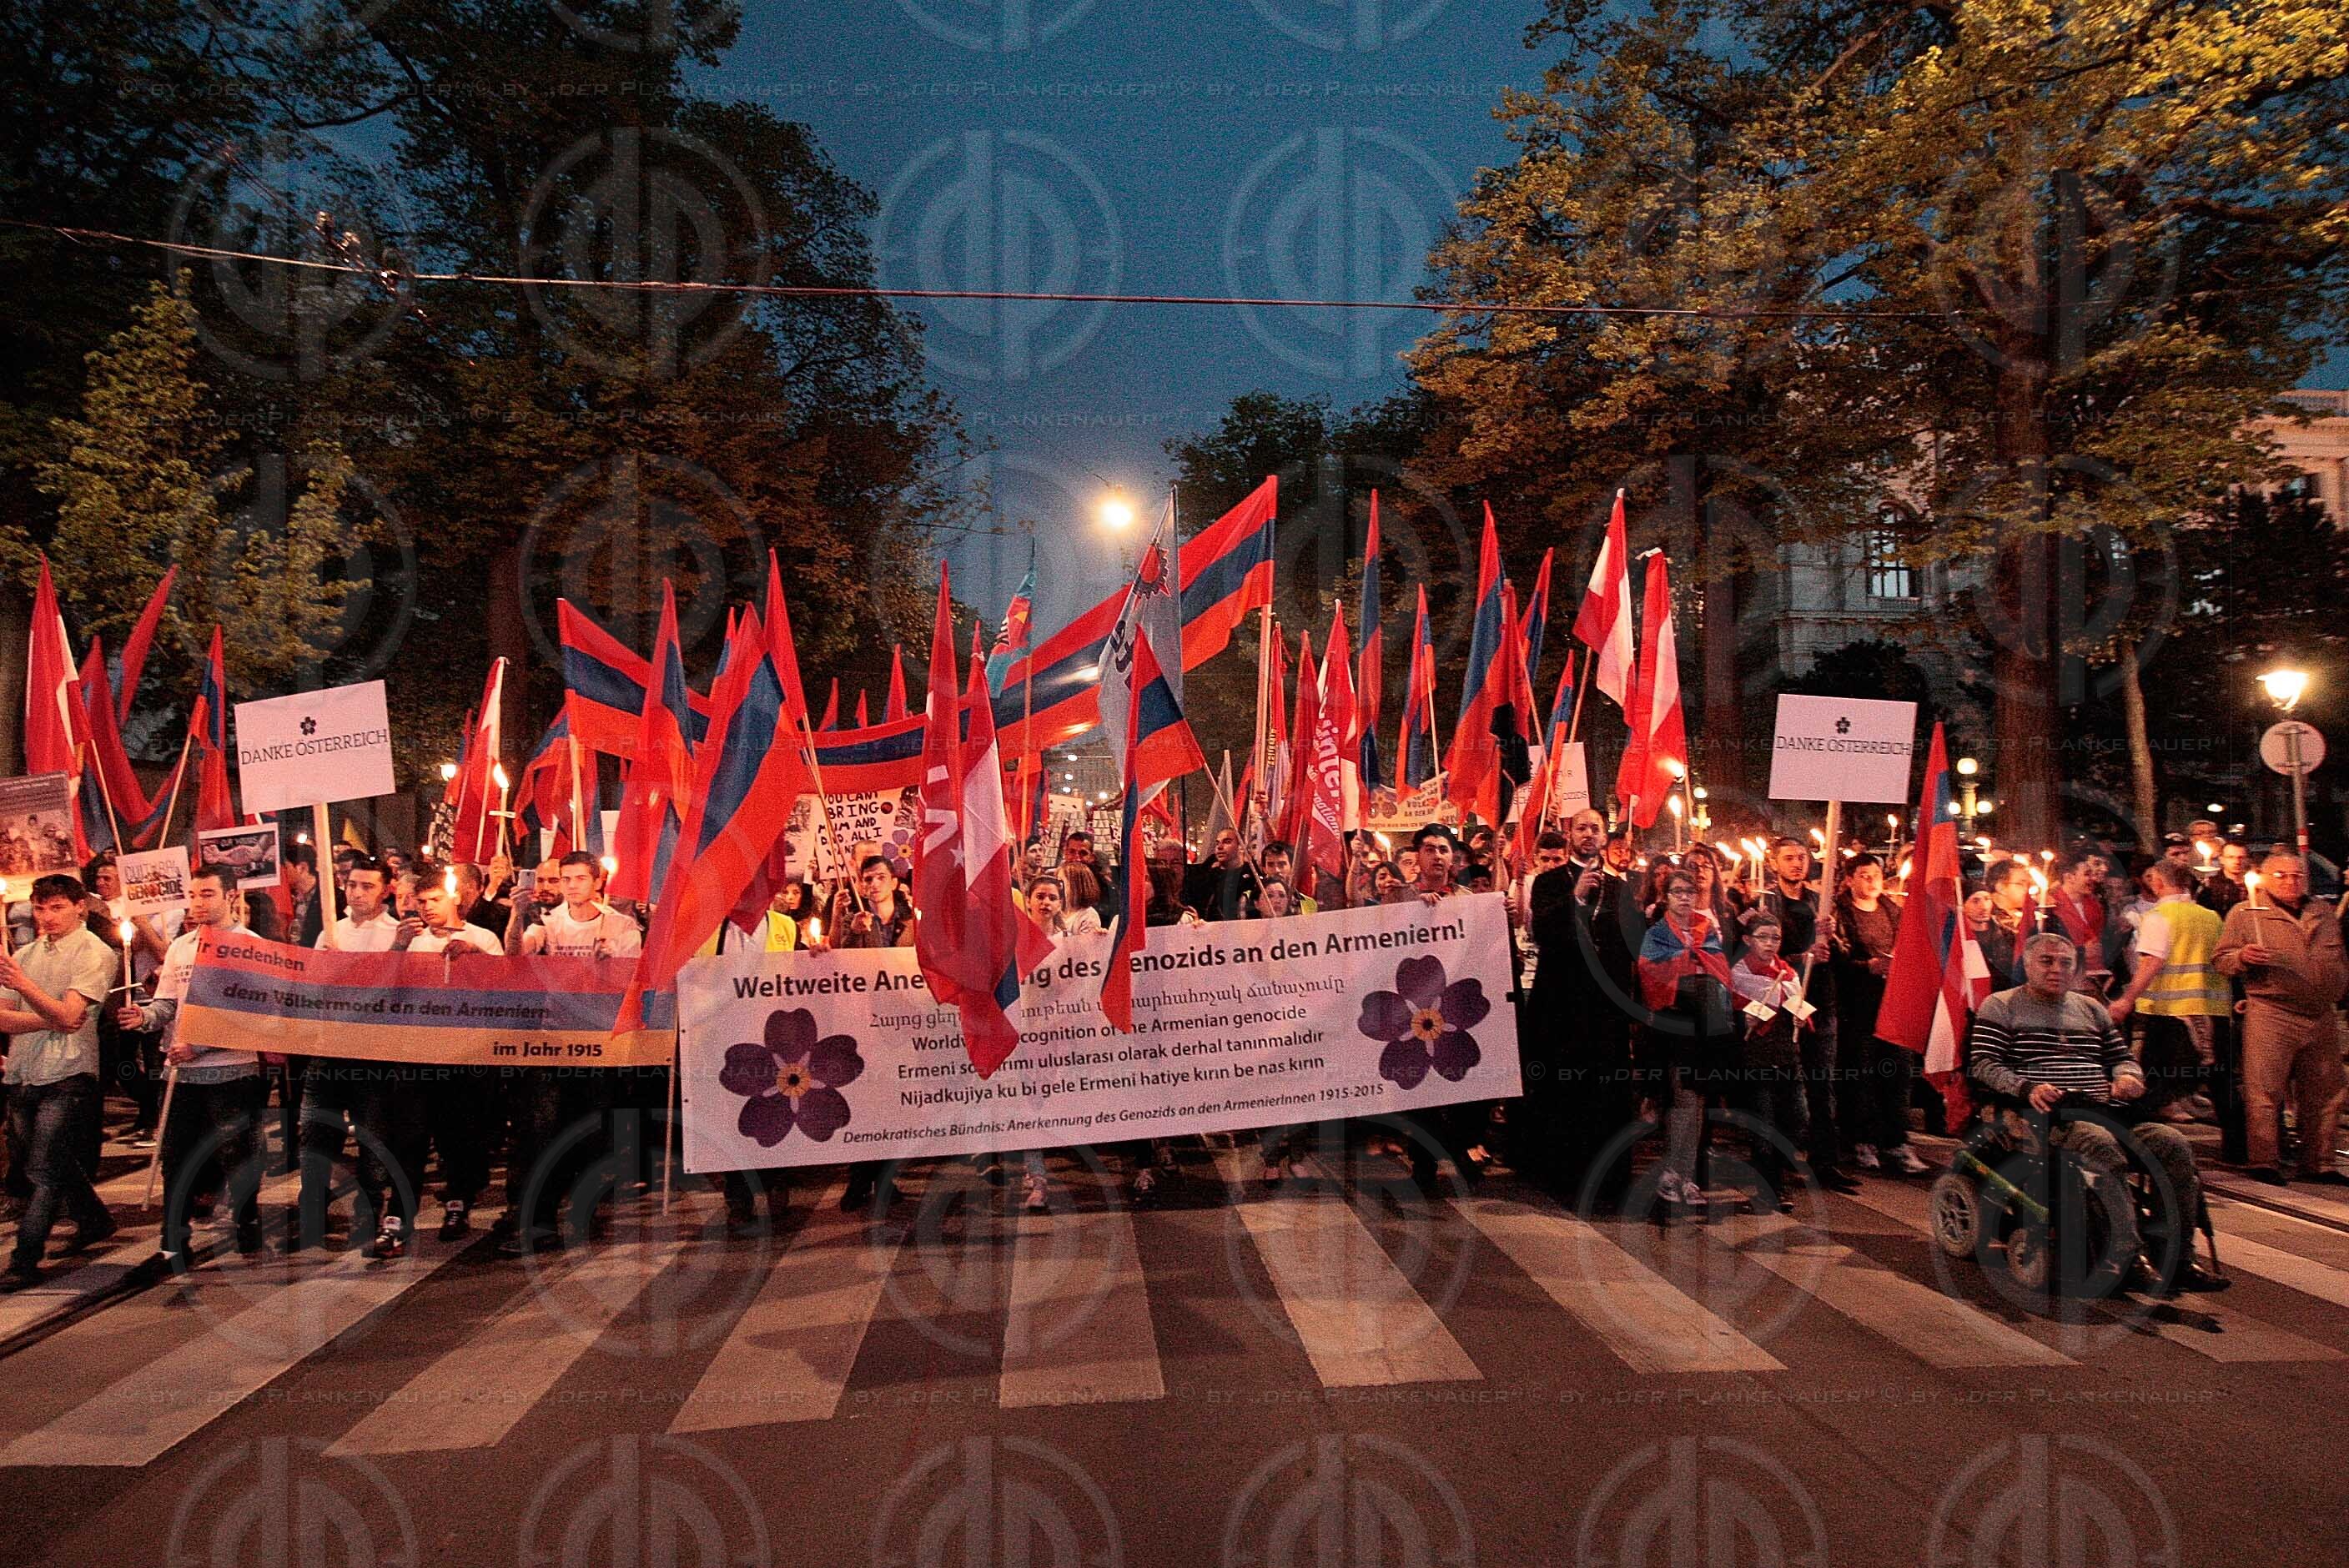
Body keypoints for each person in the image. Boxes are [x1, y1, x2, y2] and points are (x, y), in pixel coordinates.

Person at [1968, 932, 2221, 1292]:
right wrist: (2026, 1088)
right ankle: (2126, 1254)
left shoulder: (2090, 1009)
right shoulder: (2002, 1005)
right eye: (2047, 961)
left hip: (2104, 1106)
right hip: (2042, 1112)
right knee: (2099, 1144)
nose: (2057, 969)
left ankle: (2177, 1255)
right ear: (2027, 965)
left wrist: (2129, 1077)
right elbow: (1983, 1064)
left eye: (2065, 962)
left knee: (2173, 1143)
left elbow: (2120, 1058)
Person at [116, 864, 267, 1265]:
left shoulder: (250, 945)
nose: (198, 904)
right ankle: (174, 1239)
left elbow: (248, 1012)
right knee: (177, 1156)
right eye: (194, 896)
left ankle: (247, 1221)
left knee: (237, 1153)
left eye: (208, 895)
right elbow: (169, 1002)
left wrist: (199, 1045)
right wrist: (145, 1018)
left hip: (233, 1070)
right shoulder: (181, 946)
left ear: (230, 896)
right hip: (182, 1072)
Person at [500, 852, 642, 1258]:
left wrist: (610, 965)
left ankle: (587, 1208)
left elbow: (635, 982)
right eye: (566, 878)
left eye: (580, 878)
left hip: (598, 1045)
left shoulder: (621, 926)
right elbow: (517, 956)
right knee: (542, 1131)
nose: (572, 885)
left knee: (591, 1132)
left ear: (598, 882)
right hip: (553, 1043)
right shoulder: (548, 923)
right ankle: (540, 1222)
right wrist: (516, 915)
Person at [0, 875, 121, 1289]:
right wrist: (49, 1019)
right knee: (50, 1162)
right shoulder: (26, 953)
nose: (46, 917)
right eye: (39, 908)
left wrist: (26, 989)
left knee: (44, 1168)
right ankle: (94, 1219)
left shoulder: (95, 952)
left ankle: (24, 1258)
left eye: (56, 907)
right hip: (23, 1071)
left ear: (79, 907)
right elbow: (7, 1017)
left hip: (69, 1073)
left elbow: (74, 1015)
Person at [1524, 817, 1643, 1206]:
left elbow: (1630, 948)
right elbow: (1541, 932)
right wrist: (1575, 898)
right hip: (1562, 1008)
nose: (1589, 834)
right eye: (1581, 829)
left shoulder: (1622, 888)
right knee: (1565, 1091)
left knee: (1604, 1094)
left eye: (1595, 828)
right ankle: (1562, 1175)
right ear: (1571, 836)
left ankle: (1608, 1179)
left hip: (1604, 1012)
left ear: (1604, 837)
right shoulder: (1549, 882)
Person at [2215, 853, 2348, 1186]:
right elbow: (2221, 959)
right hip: (2273, 1011)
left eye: (2297, 875)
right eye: (2281, 875)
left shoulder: (2323, 912)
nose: (2291, 882)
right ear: (2265, 877)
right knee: (2265, 1089)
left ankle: (2319, 1162)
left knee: (2325, 1091)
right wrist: (2242, 957)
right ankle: (2264, 1159)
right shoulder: (2246, 913)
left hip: (2320, 1013)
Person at [293, 857, 401, 1253]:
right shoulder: (331, 933)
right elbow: (315, 988)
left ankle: (370, 1219)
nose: (357, 893)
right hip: (329, 1051)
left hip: (373, 1056)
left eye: (367, 886)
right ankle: (312, 1220)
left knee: (372, 1144)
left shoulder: (397, 933)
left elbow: (397, 988)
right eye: (352, 885)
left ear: (386, 889)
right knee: (315, 1138)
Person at [1757, 837, 1856, 1194]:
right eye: (1789, 858)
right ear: (1774, 863)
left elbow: (1841, 952)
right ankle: (1779, 1162)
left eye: (1802, 857)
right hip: (1784, 1005)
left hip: (1821, 1003)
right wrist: (1804, 956)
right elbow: (1763, 954)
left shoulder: (1821, 903)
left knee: (1822, 1084)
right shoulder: (1766, 902)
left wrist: (1833, 941)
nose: (1797, 864)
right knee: (1782, 1088)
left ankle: (1825, 1162)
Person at [1636, 867, 1735, 1215]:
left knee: (1695, 1104)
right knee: (1680, 1100)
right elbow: (1649, 972)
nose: (1684, 898)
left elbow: (1719, 969)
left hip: (1704, 1028)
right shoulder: (1658, 932)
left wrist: (1696, 961)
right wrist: (1687, 962)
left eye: (1689, 892)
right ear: (1667, 895)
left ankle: (1687, 1174)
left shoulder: (1706, 930)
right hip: (1673, 1028)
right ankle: (1671, 1172)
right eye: (1677, 891)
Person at [2108, 859, 2229, 1128]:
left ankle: (2129, 1128)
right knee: (2216, 1080)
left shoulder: (2159, 918)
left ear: (2159, 883)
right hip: (2211, 1009)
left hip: (2177, 1015)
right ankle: (2239, 1148)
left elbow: (2151, 962)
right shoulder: (2211, 917)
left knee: (2169, 1078)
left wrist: (2127, 999)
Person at [1833, 854, 1922, 1175]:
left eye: (1877, 875)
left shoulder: (1892, 910)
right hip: (1857, 1007)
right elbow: (1835, 960)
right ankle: (1861, 1139)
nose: (1873, 882)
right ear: (1850, 879)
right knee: (1861, 1073)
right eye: (1865, 876)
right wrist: (1867, 967)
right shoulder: (1838, 912)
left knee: (1897, 1074)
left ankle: (1896, 1140)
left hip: (1892, 1004)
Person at [837, 856, 916, 1211]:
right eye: (866, 879)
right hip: (861, 1021)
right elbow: (833, 964)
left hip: (903, 1022)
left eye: (879, 877)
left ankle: (880, 1179)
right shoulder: (851, 918)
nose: (872, 884)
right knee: (865, 1102)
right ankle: (862, 1180)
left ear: (894, 882)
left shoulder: (912, 918)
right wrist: (850, 933)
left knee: (894, 1104)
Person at [1728, 910, 1807, 1214]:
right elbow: (1732, 1010)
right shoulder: (1739, 974)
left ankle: (1777, 1177)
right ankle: (1769, 1189)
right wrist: (1742, 1017)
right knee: (1763, 1128)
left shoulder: (1789, 974)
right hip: (1756, 1061)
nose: (1771, 944)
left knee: (1798, 1120)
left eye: (1776, 938)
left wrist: (1801, 1019)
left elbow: (1798, 1008)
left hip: (1787, 1059)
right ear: (1748, 940)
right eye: (1763, 937)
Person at [2198, 840, 2251, 917]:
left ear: (2248, 860)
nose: (2237, 862)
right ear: (2222, 859)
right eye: (2231, 857)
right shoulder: (2211, 885)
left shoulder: (2256, 885)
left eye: (2241, 857)